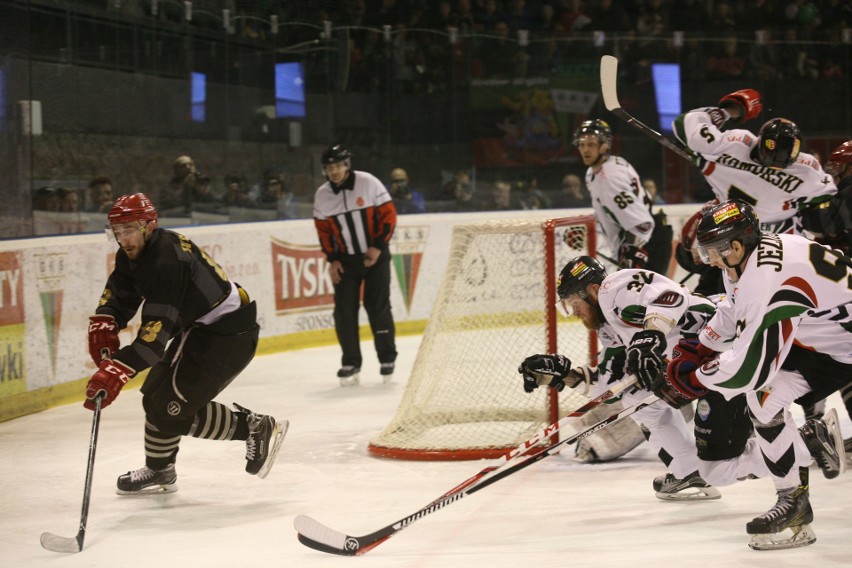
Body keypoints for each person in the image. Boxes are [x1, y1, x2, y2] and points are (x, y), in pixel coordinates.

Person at [655, 200, 850, 550]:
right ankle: (794, 502)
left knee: (760, 392)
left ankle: (797, 487)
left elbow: (749, 369)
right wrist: (701, 346)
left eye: (715, 251)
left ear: (736, 245)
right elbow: (733, 306)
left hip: (840, 349)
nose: (710, 260)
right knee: (764, 401)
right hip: (823, 342)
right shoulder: (751, 258)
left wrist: (695, 380)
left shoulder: (768, 279)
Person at [84, 193, 287, 494]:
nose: (123, 238)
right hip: (201, 328)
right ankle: (160, 470)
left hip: (228, 335)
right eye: (118, 231)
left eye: (129, 229)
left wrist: (118, 369)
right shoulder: (135, 253)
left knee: (169, 408)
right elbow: (121, 292)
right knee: (154, 396)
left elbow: (153, 340)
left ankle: (254, 427)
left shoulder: (167, 261)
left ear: (149, 226)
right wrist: (106, 319)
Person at [519, 255, 721, 500]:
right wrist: (562, 376)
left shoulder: (616, 288)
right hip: (699, 355)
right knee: (635, 398)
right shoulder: (609, 329)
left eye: (574, 302)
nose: (574, 312)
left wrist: (651, 335)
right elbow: (609, 387)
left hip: (722, 331)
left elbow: (672, 297)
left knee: (747, 433)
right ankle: (689, 471)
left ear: (593, 290)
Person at [671, 89, 837, 236]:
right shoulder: (735, 144)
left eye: (790, 151)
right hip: (747, 232)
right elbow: (826, 193)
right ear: (759, 141)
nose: (778, 158)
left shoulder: (806, 169)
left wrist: (727, 112)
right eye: (771, 147)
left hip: (743, 232)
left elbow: (685, 125)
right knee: (689, 248)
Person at [313, 145, 398, 386]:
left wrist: (378, 246)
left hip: (376, 255)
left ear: (347, 165)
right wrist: (332, 259)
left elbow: (389, 215)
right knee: (344, 311)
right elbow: (323, 231)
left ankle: (387, 358)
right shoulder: (322, 195)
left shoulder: (368, 182)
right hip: (346, 261)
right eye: (330, 167)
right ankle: (350, 362)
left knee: (377, 305)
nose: (335, 171)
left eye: (338, 166)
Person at [572, 119, 672, 275]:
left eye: (591, 144)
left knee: (646, 298)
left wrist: (632, 252)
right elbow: (610, 211)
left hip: (648, 241)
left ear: (604, 145)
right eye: (582, 144)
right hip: (644, 237)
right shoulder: (596, 170)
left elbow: (642, 223)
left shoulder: (610, 178)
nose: (585, 150)